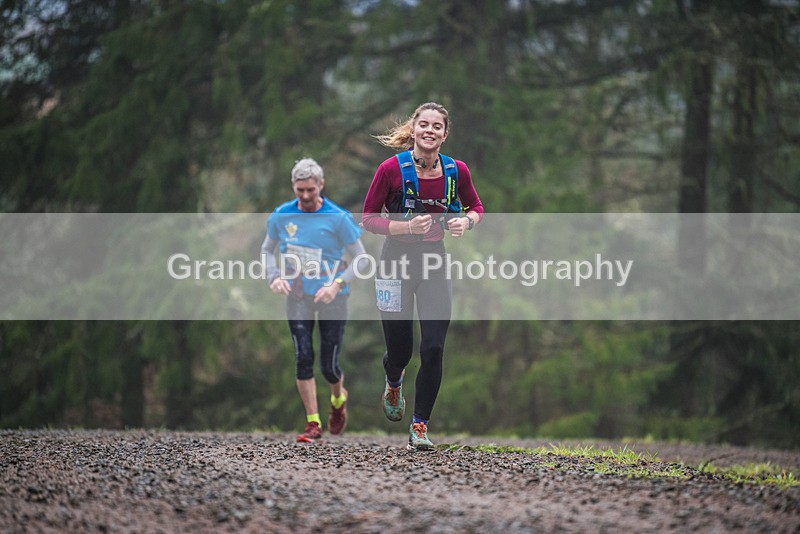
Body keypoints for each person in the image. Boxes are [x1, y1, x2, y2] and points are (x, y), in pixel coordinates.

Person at [362, 102, 484, 450]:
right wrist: (405, 227)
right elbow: (368, 218)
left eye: (437, 126)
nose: (430, 130)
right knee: (400, 351)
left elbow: (477, 207)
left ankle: (419, 426)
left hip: (433, 262)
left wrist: (466, 222)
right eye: (424, 124)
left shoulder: (457, 171)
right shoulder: (390, 169)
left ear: (445, 134)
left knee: (433, 347)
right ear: (413, 130)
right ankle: (394, 379)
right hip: (394, 263)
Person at [262, 158, 366, 443]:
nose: (306, 196)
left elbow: (361, 259)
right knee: (303, 357)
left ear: (321, 185)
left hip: (333, 296)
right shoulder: (281, 215)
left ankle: (338, 399)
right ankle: (313, 423)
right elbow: (267, 250)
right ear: (293, 187)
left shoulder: (338, 217)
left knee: (329, 367)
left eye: (311, 189)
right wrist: (273, 276)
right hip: (298, 294)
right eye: (300, 190)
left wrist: (336, 284)